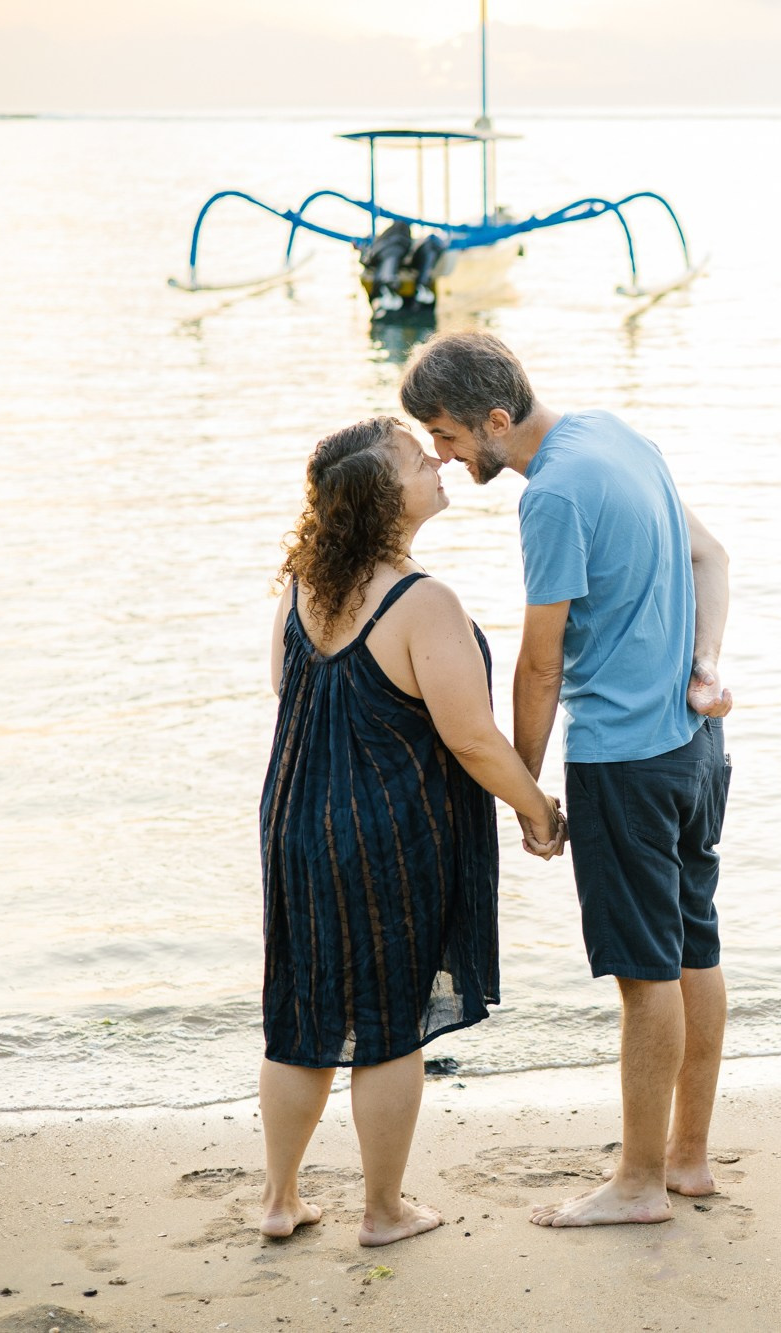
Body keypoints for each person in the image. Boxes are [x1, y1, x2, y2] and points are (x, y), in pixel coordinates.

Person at [400, 331, 734, 1229]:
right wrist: (705, 666)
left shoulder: (549, 496)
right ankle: (687, 1159)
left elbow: (539, 663)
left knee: (643, 975)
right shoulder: (618, 437)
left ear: (496, 419)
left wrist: (531, 794)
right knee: (694, 948)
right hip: (696, 750)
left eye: (447, 435)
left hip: (625, 761)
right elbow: (711, 556)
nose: (443, 454)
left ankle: (637, 1185)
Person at [256, 415, 565, 1246]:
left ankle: (281, 1199)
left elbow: (289, 689)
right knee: (388, 1022)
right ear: (382, 499)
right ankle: (384, 1210)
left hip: (293, 818)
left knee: (303, 1011)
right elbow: (469, 736)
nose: (436, 461)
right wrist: (538, 808)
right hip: (384, 830)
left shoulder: (299, 586)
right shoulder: (422, 601)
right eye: (414, 458)